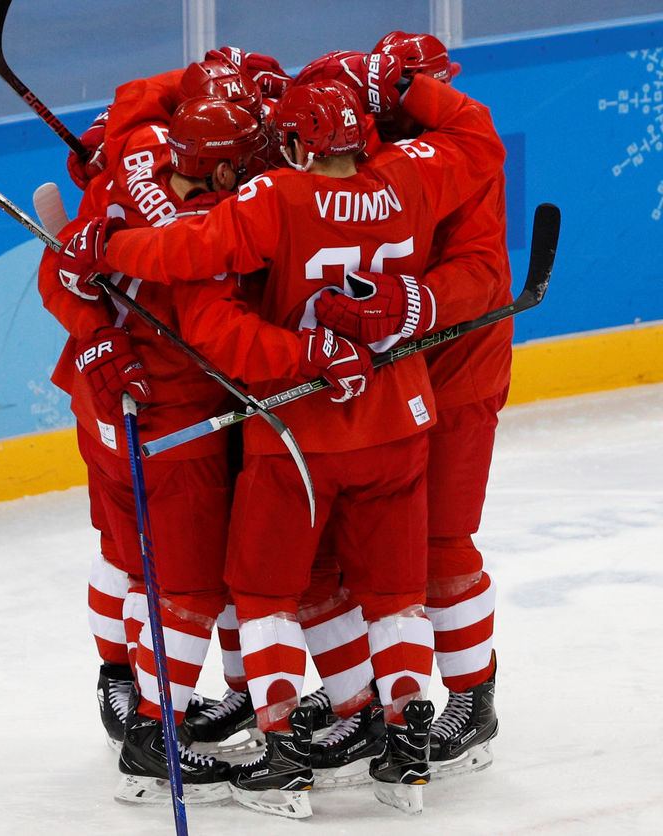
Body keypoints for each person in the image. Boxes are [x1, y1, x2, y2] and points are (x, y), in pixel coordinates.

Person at [57, 69, 504, 816]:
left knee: (256, 590)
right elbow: (476, 140)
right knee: (391, 589)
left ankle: (275, 749)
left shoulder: (271, 196)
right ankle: (399, 737)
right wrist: (414, 92)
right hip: (396, 416)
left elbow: (190, 259)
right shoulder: (406, 179)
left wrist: (107, 249)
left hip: (292, 427)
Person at [41, 70, 272, 803]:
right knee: (189, 585)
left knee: (126, 557)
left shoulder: (129, 158)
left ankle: (120, 684)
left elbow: (60, 269)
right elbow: (226, 332)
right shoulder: (218, 231)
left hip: (101, 397)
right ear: (230, 165)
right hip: (173, 422)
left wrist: (93, 334)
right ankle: (150, 731)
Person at [306, 31, 508, 776]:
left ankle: (471, 696)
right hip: (387, 379)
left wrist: (405, 303)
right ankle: (366, 697)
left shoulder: (459, 158)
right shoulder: (372, 149)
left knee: (439, 544)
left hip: (457, 373)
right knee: (357, 550)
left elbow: (484, 277)